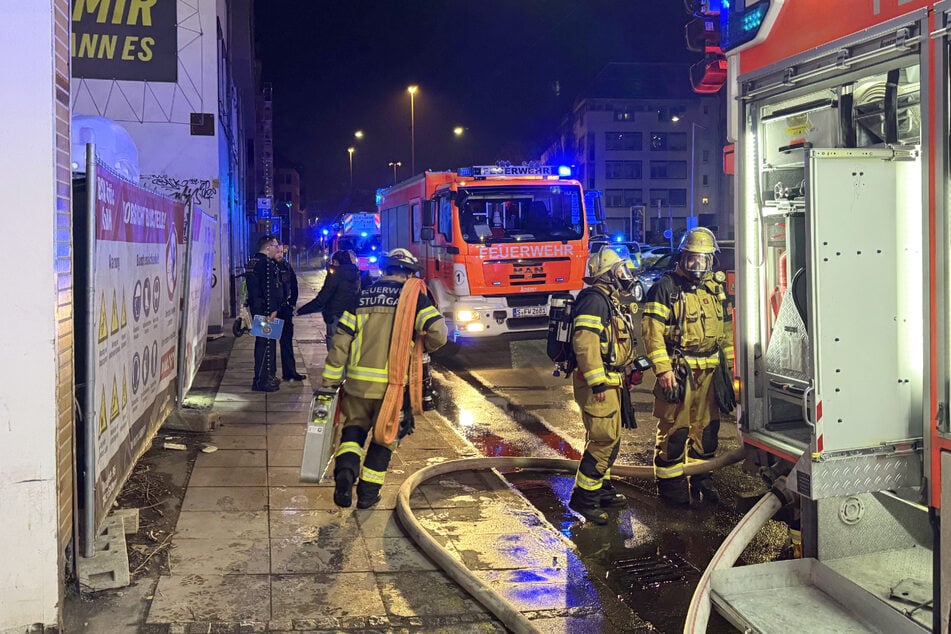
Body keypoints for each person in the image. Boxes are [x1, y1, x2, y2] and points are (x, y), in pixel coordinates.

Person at [320, 248, 447, 509]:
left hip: (357, 385)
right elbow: (438, 333)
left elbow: (340, 342)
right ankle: (367, 495)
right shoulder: (414, 300)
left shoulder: (361, 296)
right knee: (384, 439)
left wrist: (330, 381)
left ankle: (345, 473)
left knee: (352, 431)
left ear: (385, 270)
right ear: (410, 274)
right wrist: (421, 346)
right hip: (392, 388)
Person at [641, 227, 734, 505]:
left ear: (711, 261)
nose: (697, 265)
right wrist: (663, 370)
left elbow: (726, 330)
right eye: (692, 258)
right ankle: (672, 491)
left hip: (710, 372)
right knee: (675, 431)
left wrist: (728, 364)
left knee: (707, 431)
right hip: (680, 372)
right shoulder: (665, 288)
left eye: (703, 260)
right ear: (683, 257)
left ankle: (701, 479)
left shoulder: (715, 289)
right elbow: (652, 333)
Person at [567, 248, 640, 525]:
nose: (625, 276)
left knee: (610, 436)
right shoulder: (594, 301)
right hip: (600, 383)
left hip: (612, 379)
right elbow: (585, 343)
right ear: (607, 275)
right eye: (620, 271)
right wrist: (597, 382)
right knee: (603, 439)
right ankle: (584, 498)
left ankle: (602, 490)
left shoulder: (608, 301)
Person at [296, 249, 362, 348]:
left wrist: (301, 311)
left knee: (334, 350)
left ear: (336, 262)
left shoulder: (335, 275)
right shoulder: (356, 274)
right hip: (352, 317)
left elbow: (322, 299)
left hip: (335, 317)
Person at [245, 234, 284, 392]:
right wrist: (272, 309)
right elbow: (269, 289)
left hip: (257, 308)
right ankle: (262, 380)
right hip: (265, 310)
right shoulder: (266, 264)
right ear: (268, 248)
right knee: (266, 344)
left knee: (264, 343)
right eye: (275, 246)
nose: (278, 249)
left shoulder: (253, 262)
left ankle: (266, 377)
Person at [274, 244, 306, 382]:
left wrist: (292, 304)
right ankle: (268, 375)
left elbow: (294, 286)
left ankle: (290, 372)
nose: (280, 254)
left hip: (285, 310)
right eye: (278, 251)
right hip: (270, 312)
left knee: (287, 342)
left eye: (282, 251)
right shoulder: (268, 266)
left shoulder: (286, 266)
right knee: (266, 344)